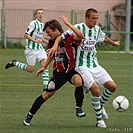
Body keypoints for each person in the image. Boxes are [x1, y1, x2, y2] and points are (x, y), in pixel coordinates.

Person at [48, 8, 120, 128]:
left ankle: (100, 105)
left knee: (112, 87)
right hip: (81, 66)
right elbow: (61, 37)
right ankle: (99, 120)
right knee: (95, 90)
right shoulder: (78, 27)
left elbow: (104, 38)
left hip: (95, 65)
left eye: (97, 18)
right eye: (93, 18)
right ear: (86, 18)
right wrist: (55, 46)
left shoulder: (97, 30)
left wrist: (114, 43)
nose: (95, 21)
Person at [23, 16, 86, 126]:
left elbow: (80, 35)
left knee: (79, 81)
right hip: (59, 73)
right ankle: (29, 115)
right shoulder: (52, 42)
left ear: (56, 29)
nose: (47, 35)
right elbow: (51, 56)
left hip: (70, 71)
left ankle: (78, 108)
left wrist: (68, 23)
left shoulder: (69, 38)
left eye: (48, 32)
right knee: (46, 95)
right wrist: (44, 67)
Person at [5, 9, 49, 90]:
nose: (40, 15)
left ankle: (46, 86)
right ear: (36, 15)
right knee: (30, 69)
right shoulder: (33, 23)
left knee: (45, 65)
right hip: (31, 49)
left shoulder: (43, 25)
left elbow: (40, 37)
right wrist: (34, 40)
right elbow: (26, 35)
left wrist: (48, 42)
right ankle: (15, 63)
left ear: (43, 14)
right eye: (38, 13)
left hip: (40, 49)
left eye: (42, 13)